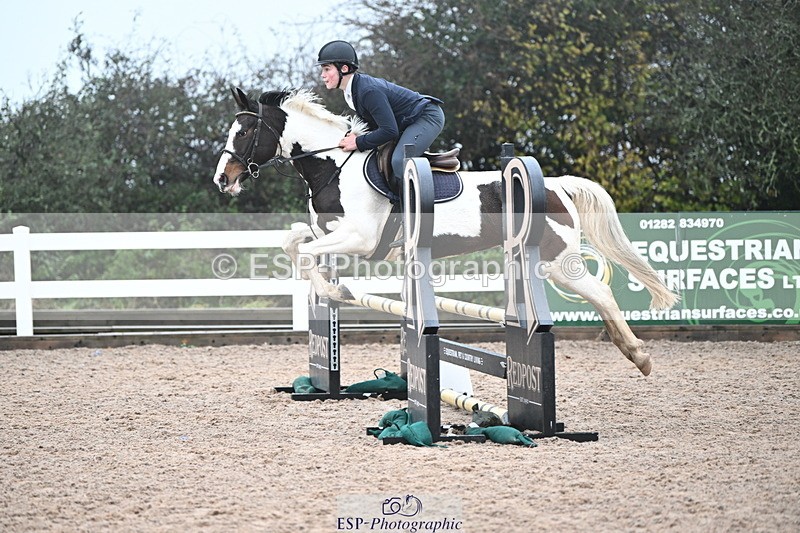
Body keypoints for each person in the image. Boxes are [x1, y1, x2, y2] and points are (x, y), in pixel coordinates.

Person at [317, 40, 445, 200]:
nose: (322, 75)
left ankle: (413, 209)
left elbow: (389, 131)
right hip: (407, 122)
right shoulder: (351, 92)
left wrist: (358, 142)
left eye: (327, 69)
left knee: (399, 161)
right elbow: (374, 124)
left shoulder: (367, 91)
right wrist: (355, 136)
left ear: (344, 69)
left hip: (427, 117)